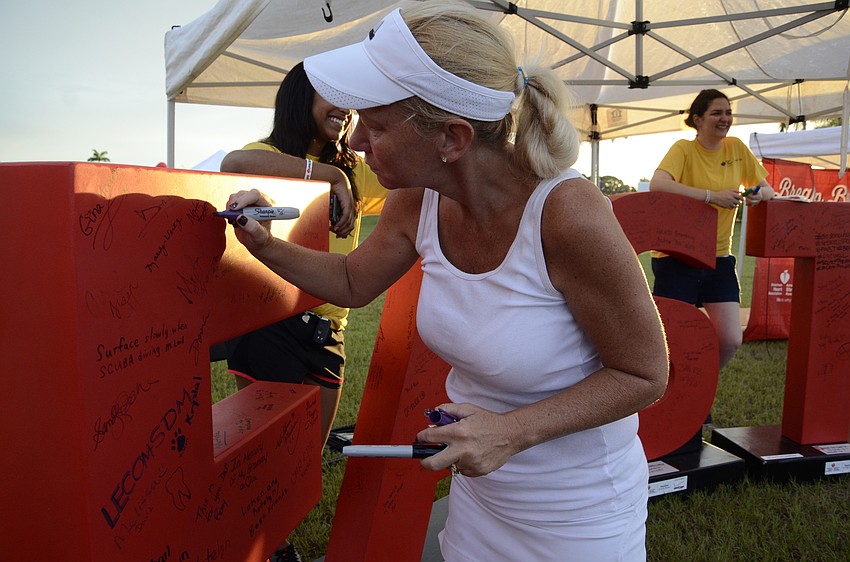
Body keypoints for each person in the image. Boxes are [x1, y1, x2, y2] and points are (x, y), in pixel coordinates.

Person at [225, 2, 668, 560]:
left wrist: (511, 431)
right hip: (481, 498)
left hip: (577, 514)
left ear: (453, 139)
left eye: (377, 125)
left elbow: (644, 372)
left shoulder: (567, 214)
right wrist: (265, 245)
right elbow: (351, 280)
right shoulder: (417, 199)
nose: (356, 142)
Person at [218, 62, 388, 562]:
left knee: (302, 460)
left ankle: (272, 538)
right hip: (272, 325)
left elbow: (409, 183)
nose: (346, 109)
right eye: (333, 96)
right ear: (301, 99)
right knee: (266, 457)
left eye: (350, 99)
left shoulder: (355, 167)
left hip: (330, 331)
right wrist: (329, 175)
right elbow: (233, 163)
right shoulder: (272, 157)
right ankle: (270, 549)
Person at [649, 89, 775, 370]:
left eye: (728, 112)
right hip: (676, 257)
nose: (725, 119)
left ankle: (697, 387)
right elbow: (658, 184)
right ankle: (673, 396)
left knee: (730, 339)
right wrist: (711, 196)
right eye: (717, 113)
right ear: (697, 119)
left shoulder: (737, 148)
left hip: (718, 257)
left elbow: (768, 190)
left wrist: (756, 194)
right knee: (672, 339)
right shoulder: (684, 148)